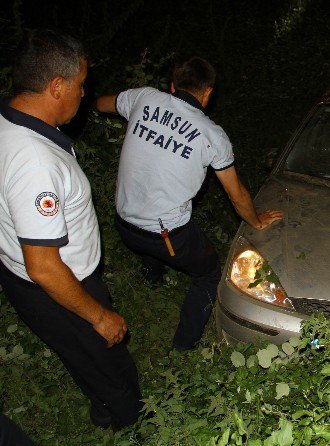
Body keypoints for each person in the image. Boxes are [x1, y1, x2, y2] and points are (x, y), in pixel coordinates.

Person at [0, 29, 142, 431]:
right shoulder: (35, 164)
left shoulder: (7, 119)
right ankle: (132, 426)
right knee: (111, 365)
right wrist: (98, 316)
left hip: (21, 277)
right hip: (61, 286)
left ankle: (102, 408)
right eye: (80, 86)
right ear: (56, 85)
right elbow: (45, 267)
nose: (84, 94)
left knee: (79, 357)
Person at [95, 56, 283, 351]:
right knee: (209, 275)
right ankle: (184, 347)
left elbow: (102, 104)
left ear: (172, 86)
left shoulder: (144, 97)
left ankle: (151, 277)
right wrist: (256, 220)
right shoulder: (212, 135)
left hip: (123, 223)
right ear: (208, 92)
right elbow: (237, 195)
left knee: (149, 234)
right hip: (167, 236)